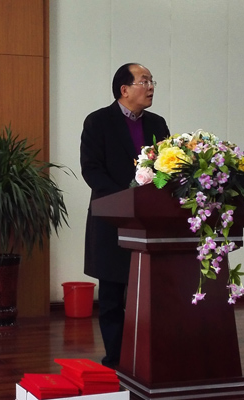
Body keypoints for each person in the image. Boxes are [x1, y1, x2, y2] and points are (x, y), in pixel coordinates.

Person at [80, 63, 170, 367]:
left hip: (149, 220)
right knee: (112, 295)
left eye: (152, 81)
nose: (151, 87)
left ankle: (145, 359)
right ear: (124, 89)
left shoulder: (157, 124)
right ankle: (116, 360)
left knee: (148, 294)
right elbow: (92, 170)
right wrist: (125, 198)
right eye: (144, 81)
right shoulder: (98, 121)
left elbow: (167, 168)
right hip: (112, 218)